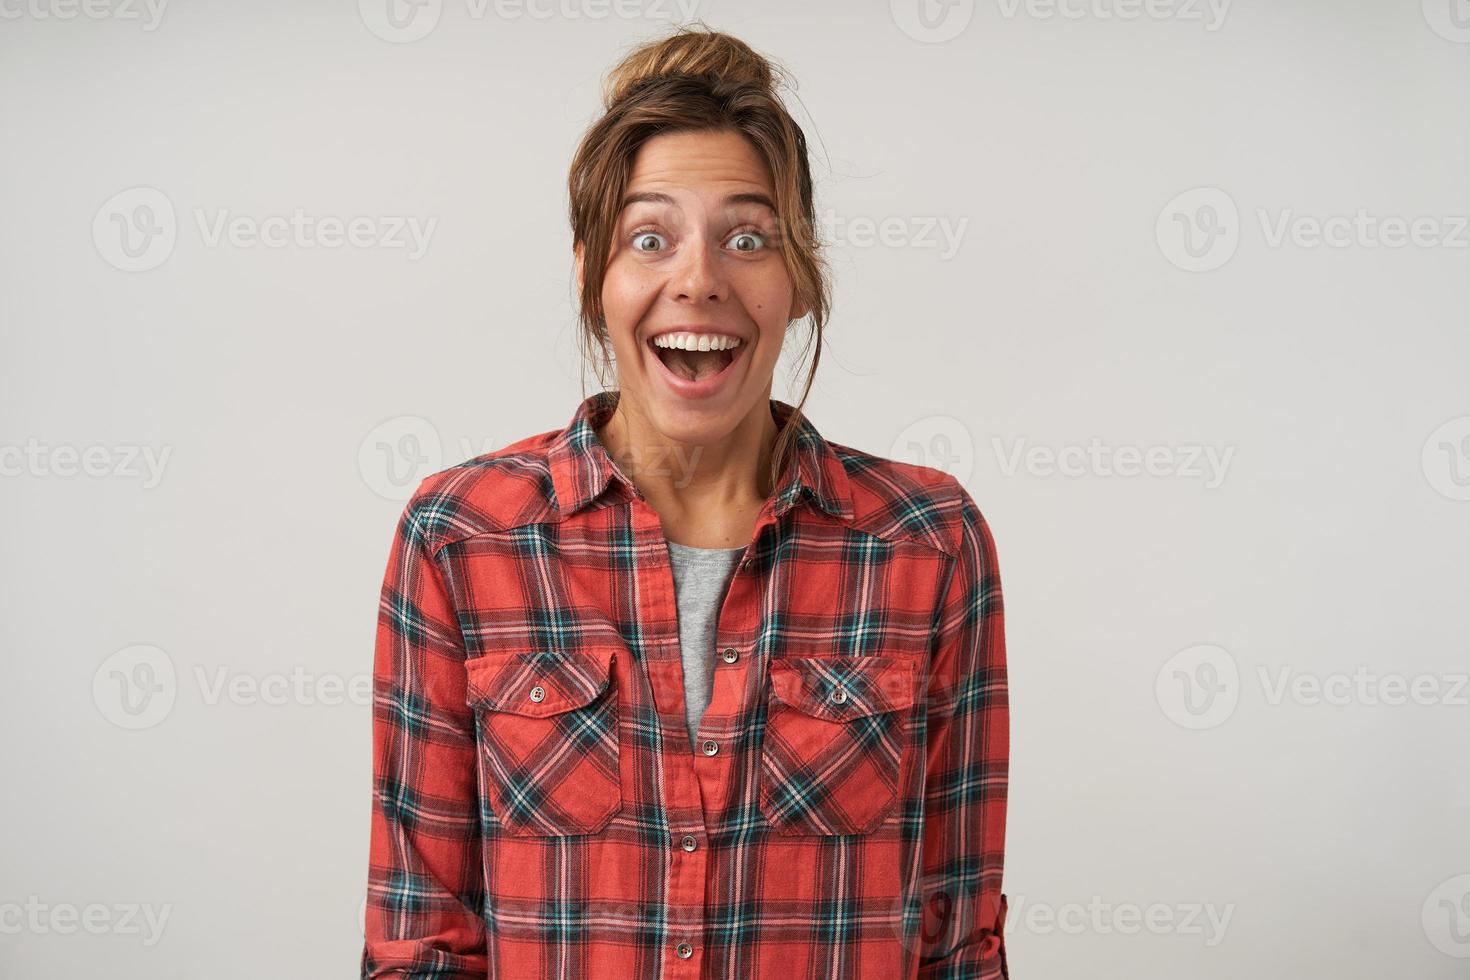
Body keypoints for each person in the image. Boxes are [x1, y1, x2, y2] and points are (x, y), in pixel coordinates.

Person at [361, 24, 1010, 979]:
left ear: (799, 279)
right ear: (593, 274)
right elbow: (421, 942)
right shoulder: (463, 537)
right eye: (649, 237)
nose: (698, 279)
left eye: (747, 237)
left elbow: (960, 946)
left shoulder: (929, 544)